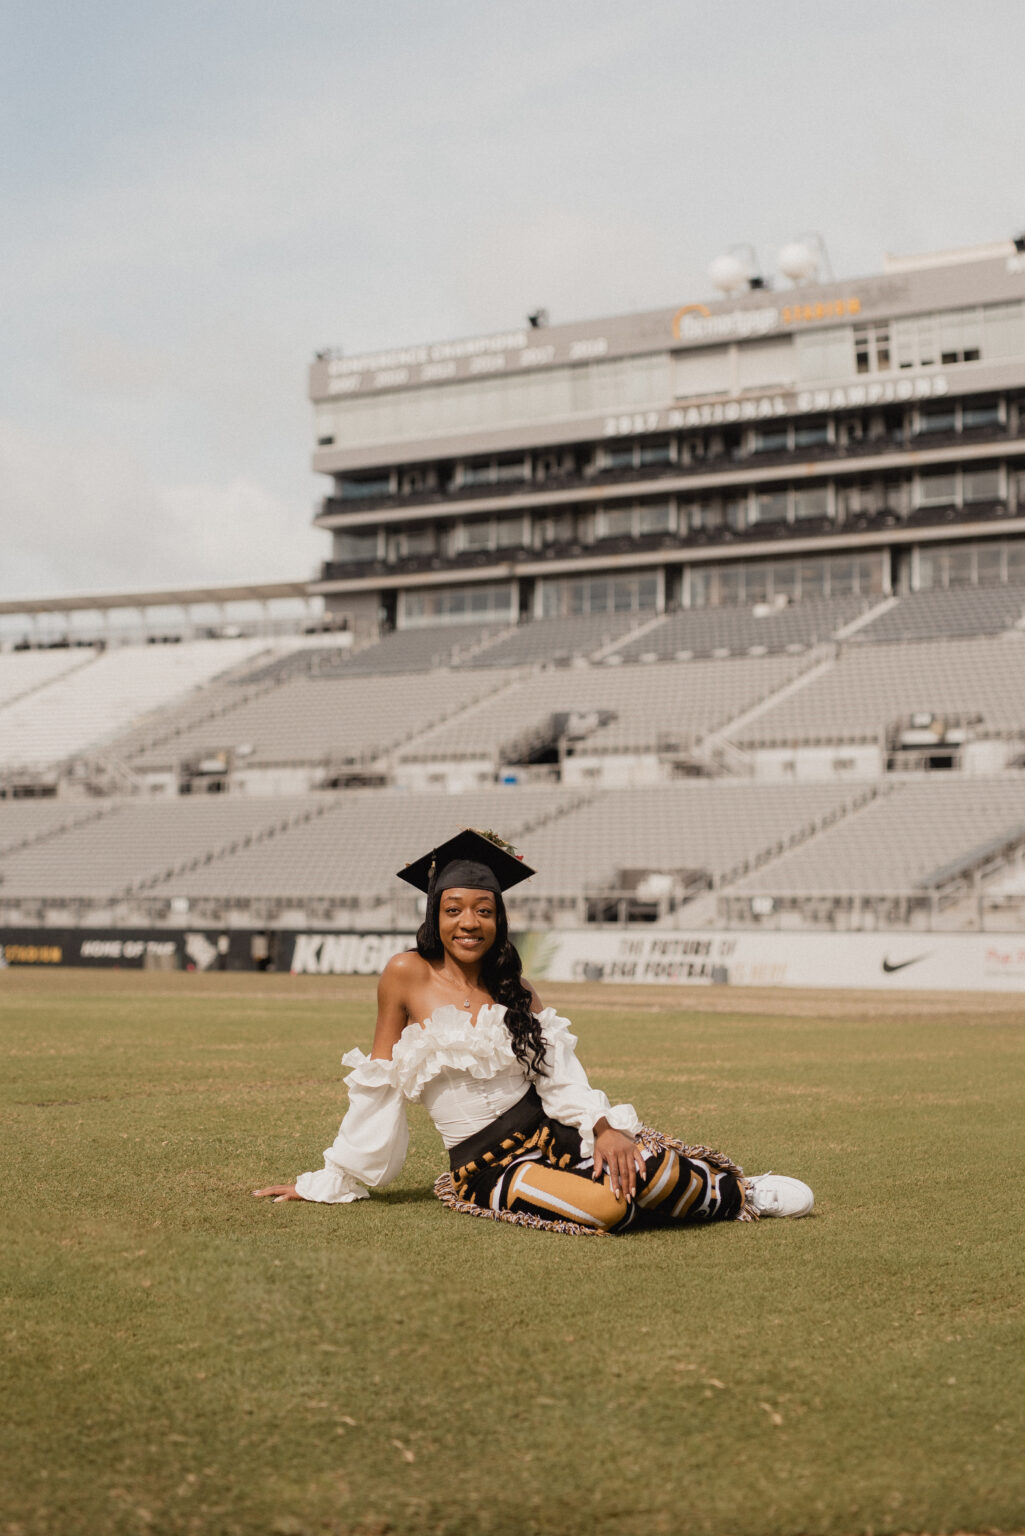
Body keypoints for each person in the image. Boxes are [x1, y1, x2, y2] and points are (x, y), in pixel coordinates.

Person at [254, 829, 813, 1234]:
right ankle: (664, 1201)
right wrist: (332, 1178)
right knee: (609, 1210)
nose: (468, 923)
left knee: (649, 1167)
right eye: (454, 910)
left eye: (483, 911)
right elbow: (377, 1084)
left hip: (554, 1133)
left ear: (498, 920)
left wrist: (602, 1127)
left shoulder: (514, 987)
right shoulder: (405, 974)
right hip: (489, 1166)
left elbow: (558, 1076)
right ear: (434, 914)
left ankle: (745, 1193)